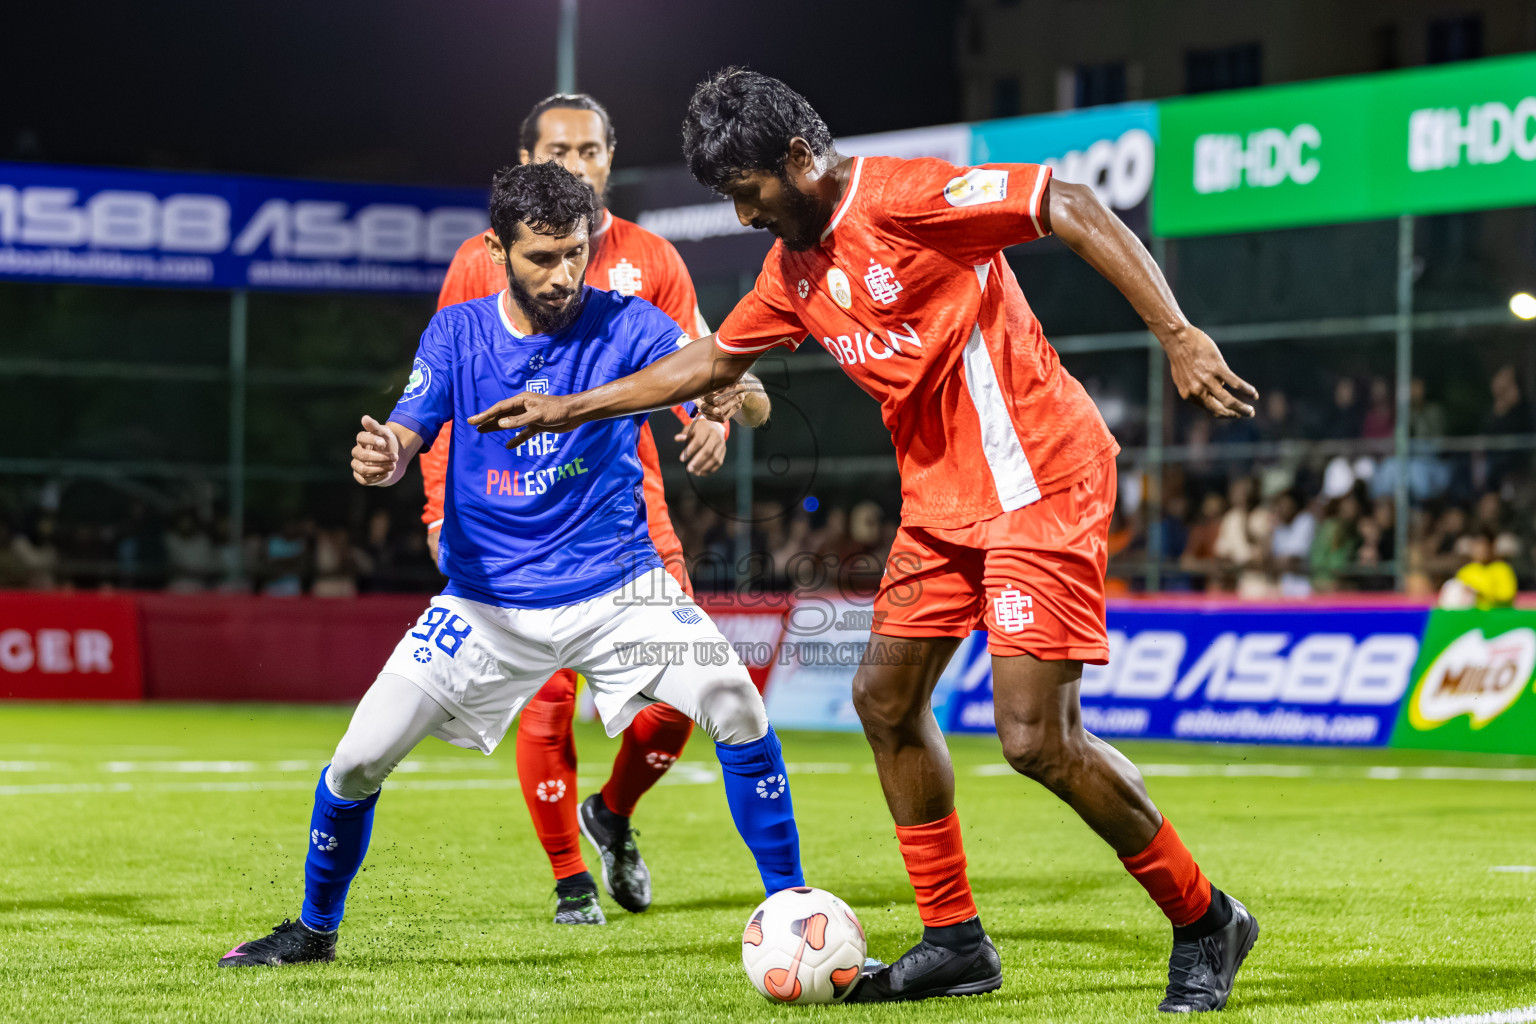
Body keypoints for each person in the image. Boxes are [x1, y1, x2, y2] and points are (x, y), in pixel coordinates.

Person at [471, 69, 1260, 1012]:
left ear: (800, 159)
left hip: (1038, 481)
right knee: (883, 700)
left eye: (748, 192)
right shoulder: (793, 267)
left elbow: (1072, 202)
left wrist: (1175, 331)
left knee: (1034, 739)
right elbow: (717, 358)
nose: (743, 213)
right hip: (940, 507)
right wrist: (573, 406)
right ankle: (955, 940)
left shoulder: (911, 197)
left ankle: (1205, 917)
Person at [218, 161, 802, 968]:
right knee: (354, 761)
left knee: (735, 702)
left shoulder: (626, 322)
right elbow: (406, 436)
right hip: (486, 603)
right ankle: (315, 931)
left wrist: (727, 397)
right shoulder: (456, 334)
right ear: (498, 250)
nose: (563, 275)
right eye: (542, 258)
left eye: (575, 254)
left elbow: (723, 372)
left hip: (619, 589)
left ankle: (794, 912)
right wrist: (384, 456)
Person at [419, 93, 773, 925]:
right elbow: (436, 398)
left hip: (627, 520)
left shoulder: (652, 259)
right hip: (513, 523)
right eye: (558, 151)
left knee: (680, 704)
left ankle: (610, 815)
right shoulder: (481, 259)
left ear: (611, 157)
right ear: (526, 161)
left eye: (589, 150)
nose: (575, 164)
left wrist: (715, 411)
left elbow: (702, 372)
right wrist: (440, 511)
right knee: (545, 698)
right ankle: (571, 879)